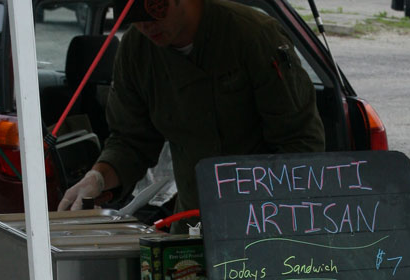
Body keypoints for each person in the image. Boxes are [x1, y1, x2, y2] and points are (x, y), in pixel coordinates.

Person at [58, 0, 325, 214]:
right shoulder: (136, 51)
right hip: (192, 222)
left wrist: (279, 208)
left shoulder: (252, 35)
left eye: (154, 12)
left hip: (267, 217)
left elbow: (300, 143)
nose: (146, 27)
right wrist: (98, 177)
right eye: (135, 19)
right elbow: (131, 142)